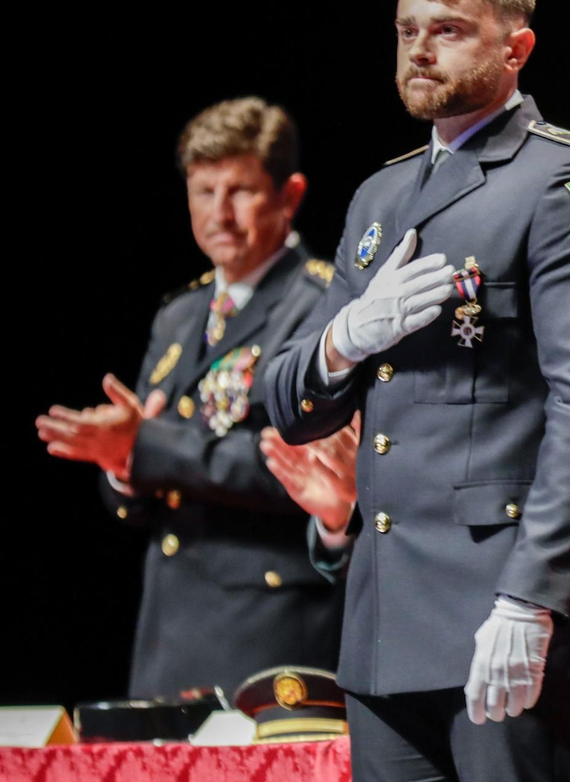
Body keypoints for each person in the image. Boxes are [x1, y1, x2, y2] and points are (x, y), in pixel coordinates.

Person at [261, 0, 570, 782]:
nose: (420, 50)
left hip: (497, 607)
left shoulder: (567, 181)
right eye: (406, 31)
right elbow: (290, 404)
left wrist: (533, 599)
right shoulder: (382, 194)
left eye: (449, 30)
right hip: (384, 621)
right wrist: (346, 338)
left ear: (517, 47)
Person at [35, 97, 342, 697]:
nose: (220, 214)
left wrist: (145, 446)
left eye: (240, 191)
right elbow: (147, 483)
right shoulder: (180, 315)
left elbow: (298, 465)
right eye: (204, 192)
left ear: (290, 195)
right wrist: (121, 465)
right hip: (168, 628)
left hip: (268, 624)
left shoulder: (321, 307)